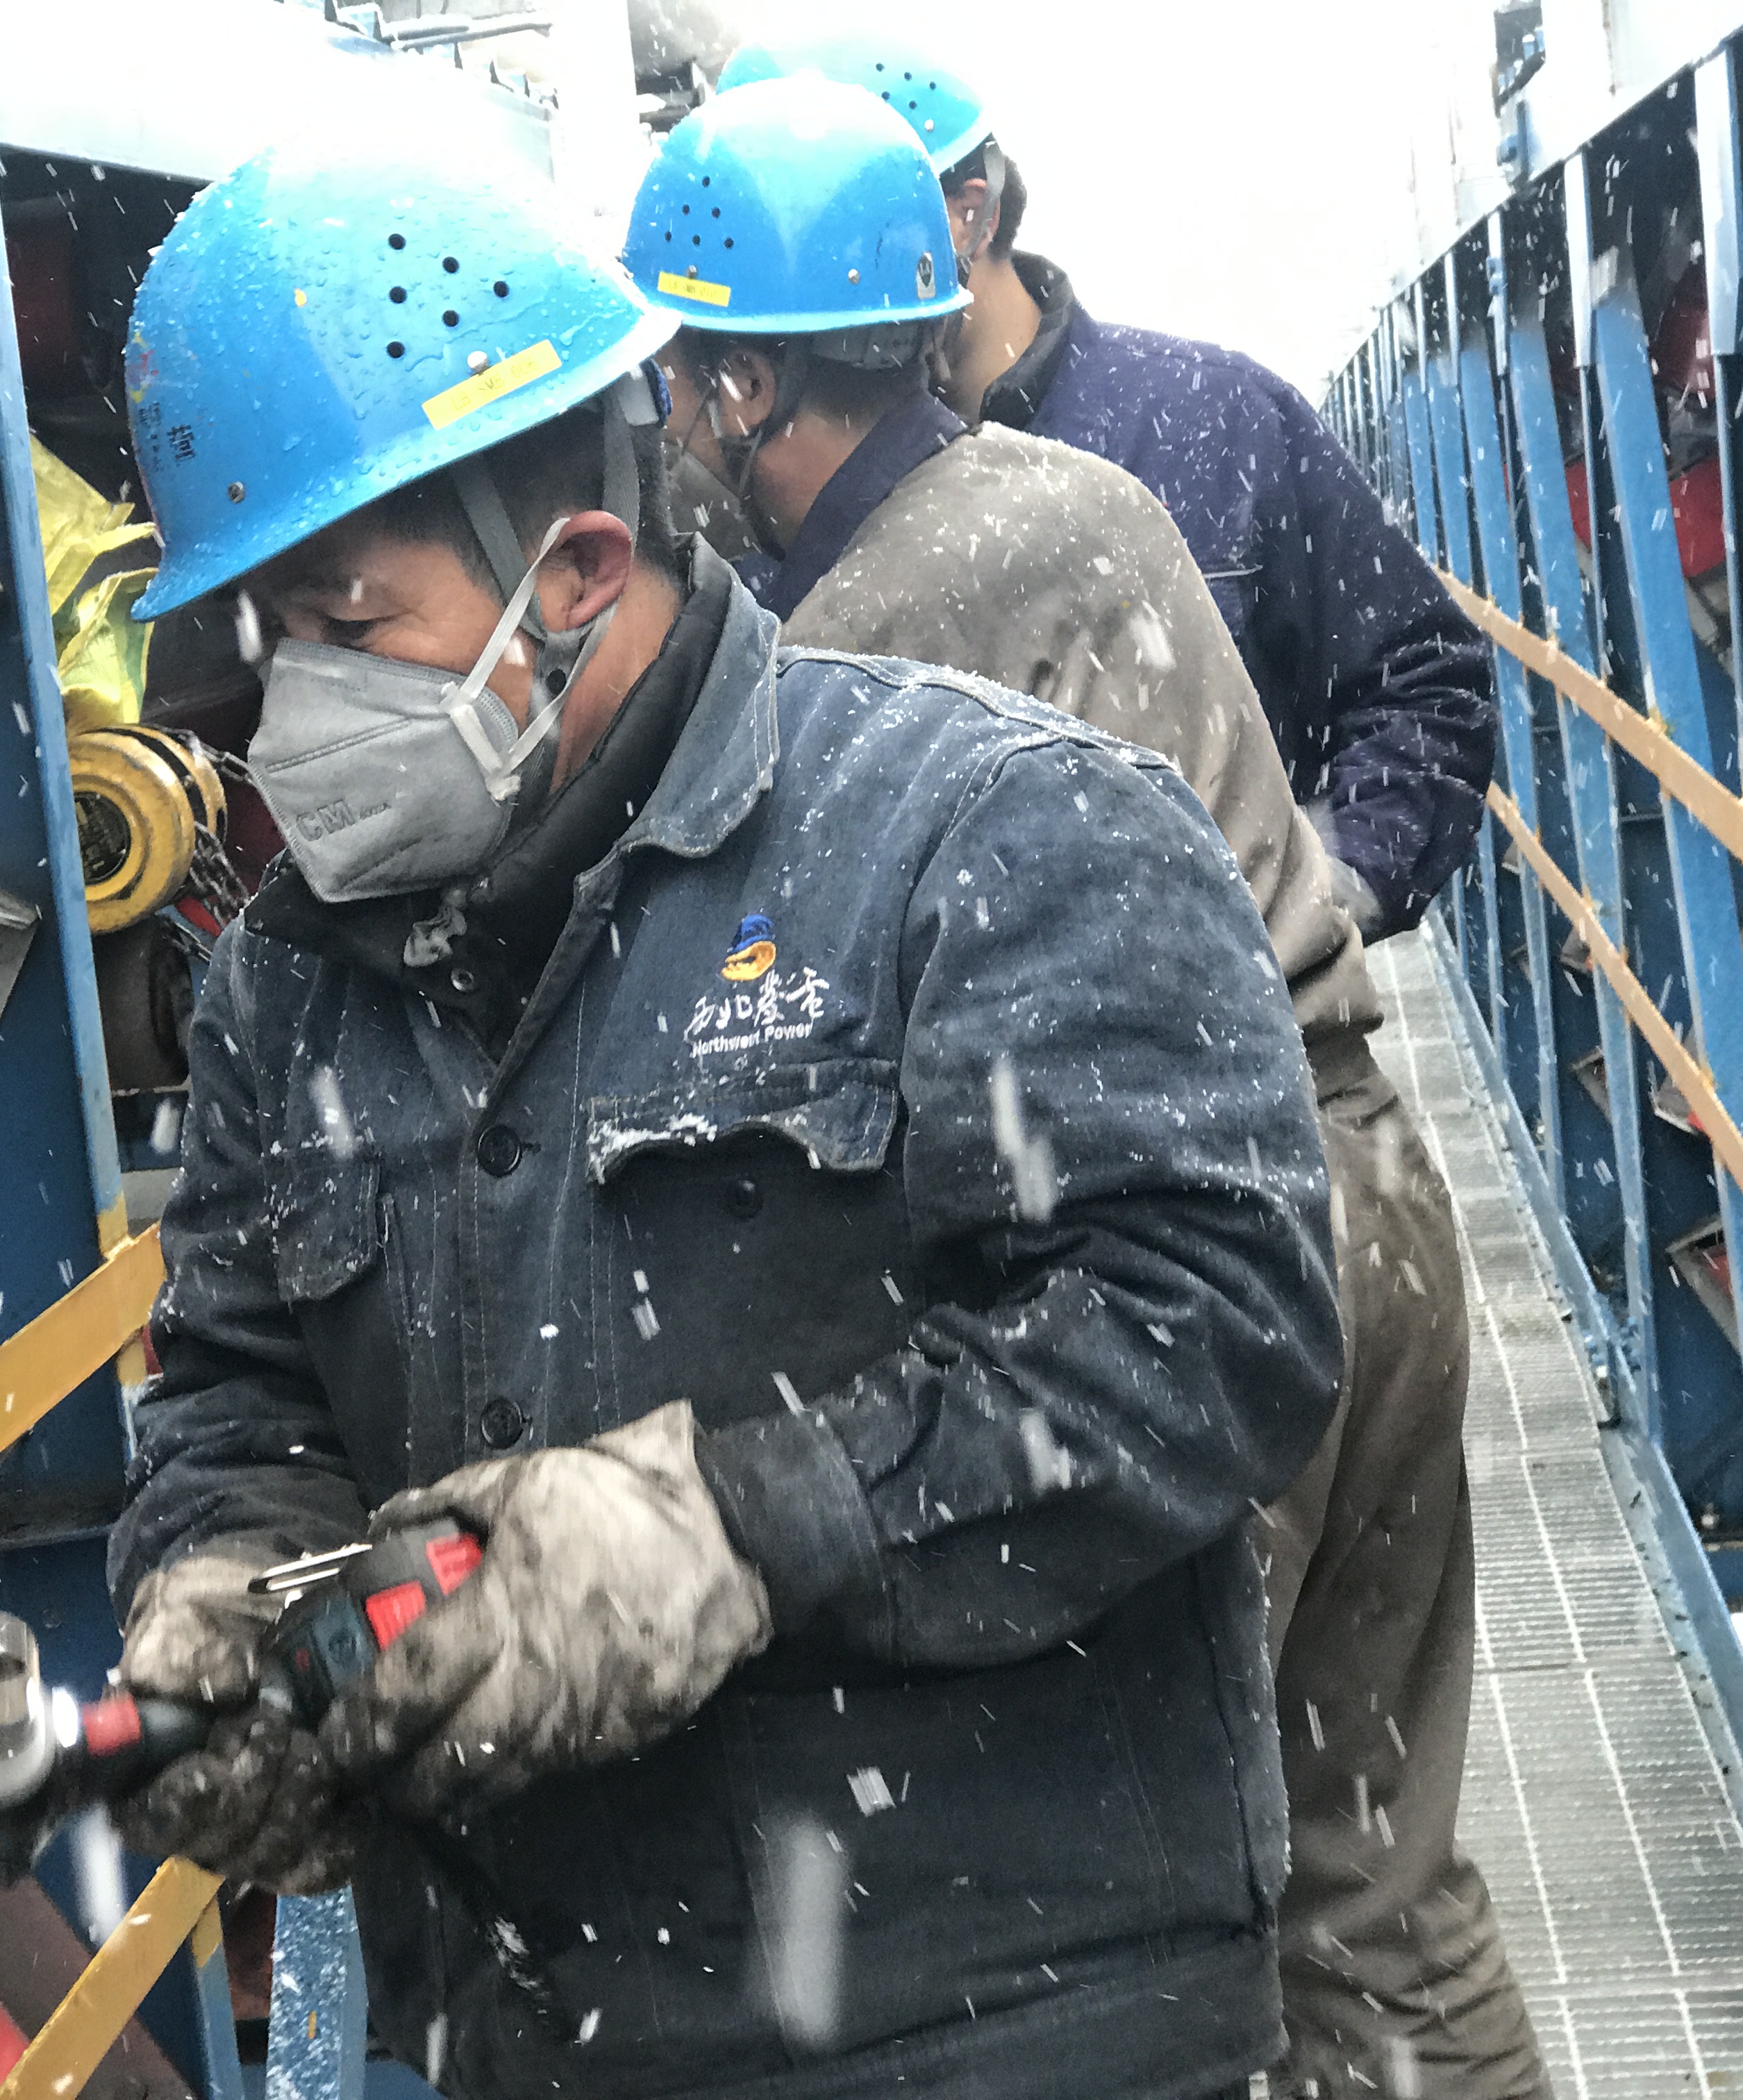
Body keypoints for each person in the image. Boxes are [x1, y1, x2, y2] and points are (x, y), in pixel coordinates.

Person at [103, 133, 1343, 2100]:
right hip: (533, 2036)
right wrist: (227, 1591)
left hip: (996, 2031)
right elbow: (242, 1387)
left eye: (346, 628)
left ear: (578, 578)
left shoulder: (983, 829)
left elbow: (1216, 1327)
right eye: (259, 648)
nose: (293, 715)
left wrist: (741, 1528)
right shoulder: (290, 981)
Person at [626, 74, 1549, 2100]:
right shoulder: (1083, 500)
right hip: (1363, 1199)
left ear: (746, 391)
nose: (677, 427)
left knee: (1125, 1942)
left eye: (685, 384)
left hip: (1203, 1275)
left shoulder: (867, 641)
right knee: (1375, 1884)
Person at [719, 28, 1496, 942]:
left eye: (825, 237)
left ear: (969, 215)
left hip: (1241, 1018)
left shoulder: (1215, 421)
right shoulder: (765, 514)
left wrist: (1319, 897)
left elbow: (1422, 679)